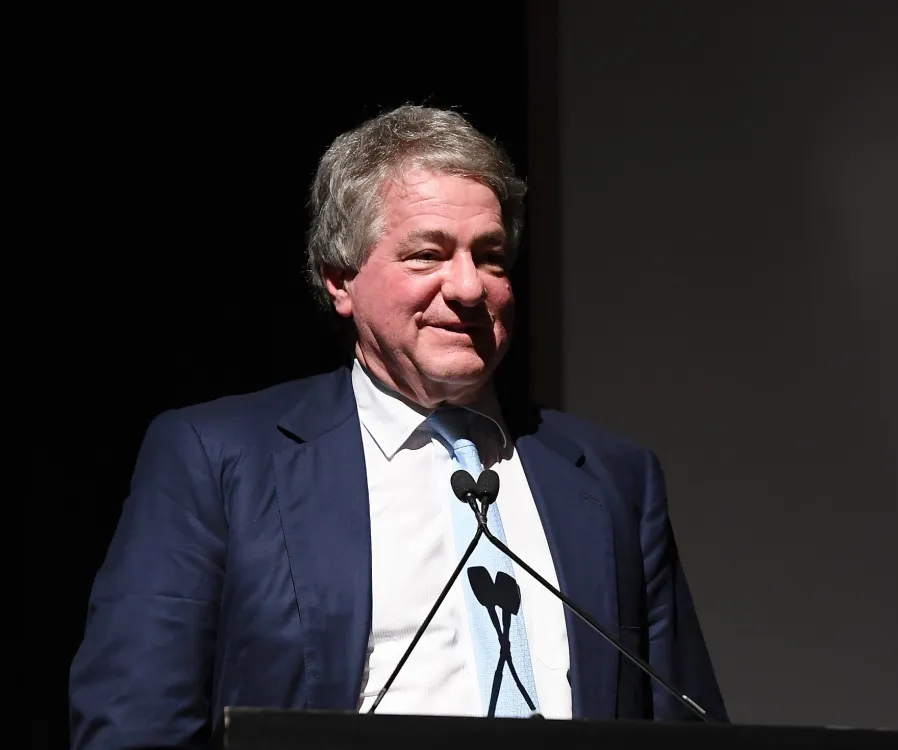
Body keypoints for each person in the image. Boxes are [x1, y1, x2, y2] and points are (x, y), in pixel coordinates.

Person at [69, 105, 726, 749]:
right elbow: (135, 724)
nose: (469, 288)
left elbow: (686, 726)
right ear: (340, 280)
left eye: (492, 256)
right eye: (426, 255)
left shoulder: (614, 479)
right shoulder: (216, 460)